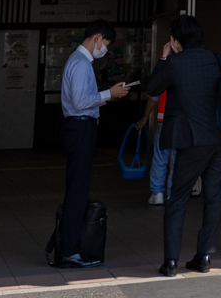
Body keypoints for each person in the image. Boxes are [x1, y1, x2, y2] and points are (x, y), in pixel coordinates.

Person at [140, 14, 221, 276]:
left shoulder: (175, 63)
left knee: (177, 198)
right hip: (220, 139)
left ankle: (171, 262)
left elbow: (151, 88)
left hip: (192, 140)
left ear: (176, 40)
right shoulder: (217, 59)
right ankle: (203, 257)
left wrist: (165, 57)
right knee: (213, 198)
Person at [57, 19, 130, 268]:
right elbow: (79, 101)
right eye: (106, 44)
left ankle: (68, 247)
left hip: (79, 127)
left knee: (78, 189)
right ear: (97, 37)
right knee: (78, 191)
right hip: (79, 127)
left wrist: (107, 96)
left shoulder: (81, 63)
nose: (105, 50)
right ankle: (69, 251)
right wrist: (109, 94)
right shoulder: (80, 64)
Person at [135, 40, 174, 207]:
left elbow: (153, 97)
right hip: (180, 121)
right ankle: (173, 195)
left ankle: (157, 193)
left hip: (162, 120)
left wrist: (144, 117)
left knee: (160, 158)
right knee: (177, 159)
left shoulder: (164, 71)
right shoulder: (186, 69)